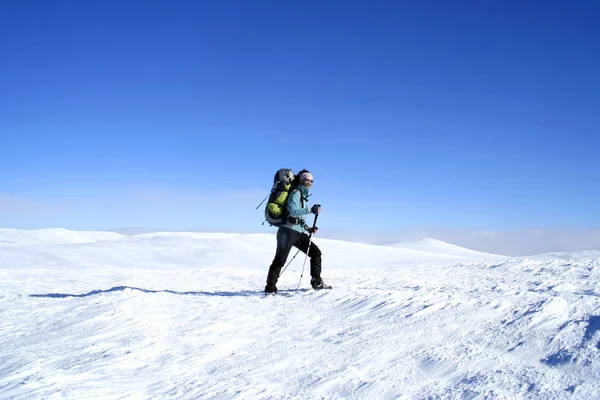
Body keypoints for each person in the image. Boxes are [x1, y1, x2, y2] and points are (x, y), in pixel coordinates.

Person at [265, 169, 332, 293]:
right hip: (287, 232)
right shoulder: (296, 193)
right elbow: (292, 211)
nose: (309, 182)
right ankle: (270, 288)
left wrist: (308, 228)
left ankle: (317, 281)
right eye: (307, 179)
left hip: (297, 232)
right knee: (280, 260)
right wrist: (311, 210)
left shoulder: (302, 195)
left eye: (311, 180)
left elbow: (298, 217)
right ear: (301, 180)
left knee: (316, 253)